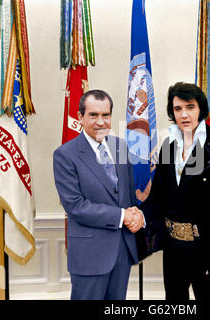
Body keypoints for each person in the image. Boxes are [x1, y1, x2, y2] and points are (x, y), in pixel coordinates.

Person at [139, 82, 210, 300]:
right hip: (173, 247)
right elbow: (159, 197)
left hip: (208, 248)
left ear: (201, 108)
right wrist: (138, 214)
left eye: (190, 107)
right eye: (177, 109)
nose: (184, 114)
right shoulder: (168, 147)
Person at [53, 89, 145, 300]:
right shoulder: (65, 155)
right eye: (93, 115)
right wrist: (123, 216)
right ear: (80, 116)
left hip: (122, 251)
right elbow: (76, 206)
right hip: (89, 254)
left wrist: (137, 214)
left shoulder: (120, 146)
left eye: (106, 115)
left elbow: (128, 196)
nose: (100, 122)